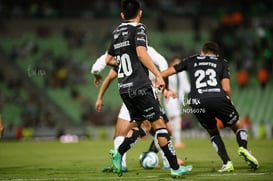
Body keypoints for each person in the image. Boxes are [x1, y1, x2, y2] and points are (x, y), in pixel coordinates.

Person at [101, 0, 192, 178]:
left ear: (122, 15)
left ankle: (119, 153)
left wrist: (126, 61)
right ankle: (174, 167)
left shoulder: (117, 33)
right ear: (140, 13)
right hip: (140, 86)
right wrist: (158, 74)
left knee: (144, 125)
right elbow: (142, 53)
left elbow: (108, 60)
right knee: (161, 126)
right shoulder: (139, 29)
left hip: (124, 88)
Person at [161, 41, 259, 172]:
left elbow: (164, 74)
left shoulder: (192, 59)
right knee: (238, 126)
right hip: (218, 98)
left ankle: (227, 162)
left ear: (202, 52)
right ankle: (243, 148)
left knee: (213, 132)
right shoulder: (221, 61)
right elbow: (226, 87)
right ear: (216, 54)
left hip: (197, 101)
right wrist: (228, 101)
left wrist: (166, 89)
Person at [92, 46, 178, 171]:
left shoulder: (125, 55)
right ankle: (168, 163)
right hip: (146, 97)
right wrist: (165, 88)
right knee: (160, 129)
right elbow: (163, 62)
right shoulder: (142, 54)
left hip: (130, 96)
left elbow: (107, 68)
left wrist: (99, 96)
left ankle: (121, 162)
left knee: (129, 131)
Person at [163, 56, 190, 148]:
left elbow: (186, 86)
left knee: (174, 120)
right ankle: (176, 141)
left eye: (179, 62)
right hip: (170, 98)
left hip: (179, 98)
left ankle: (168, 139)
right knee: (175, 118)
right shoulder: (168, 72)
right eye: (176, 63)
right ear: (171, 63)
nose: (179, 65)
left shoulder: (182, 73)